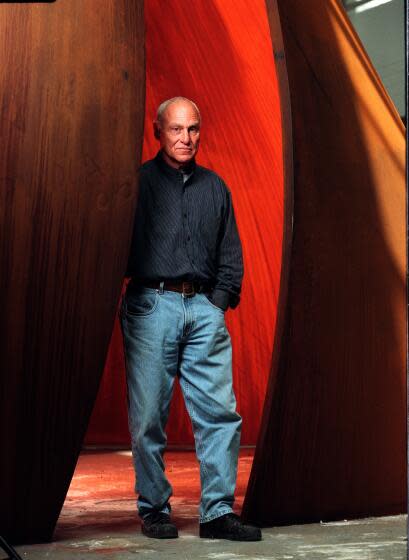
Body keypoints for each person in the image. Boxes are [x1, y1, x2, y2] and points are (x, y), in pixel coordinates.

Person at [120, 96, 261, 542]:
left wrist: (216, 304)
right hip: (150, 305)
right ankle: (154, 508)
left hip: (203, 308)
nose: (186, 138)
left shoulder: (215, 187)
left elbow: (231, 255)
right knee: (148, 419)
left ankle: (218, 512)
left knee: (220, 413)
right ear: (157, 131)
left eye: (193, 129)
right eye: (176, 129)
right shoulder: (137, 184)